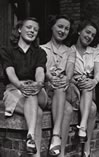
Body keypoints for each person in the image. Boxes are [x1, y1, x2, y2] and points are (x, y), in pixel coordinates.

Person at [0, 17, 47, 156]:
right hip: (14, 89)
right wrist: (20, 85)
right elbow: (10, 72)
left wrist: (38, 84)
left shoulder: (40, 52)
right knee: (37, 113)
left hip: (37, 91)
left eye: (35, 30)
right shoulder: (7, 51)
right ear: (20, 29)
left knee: (31, 89)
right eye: (29, 27)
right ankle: (35, 152)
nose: (32, 31)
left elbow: (39, 71)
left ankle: (30, 135)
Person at [40, 15, 75, 157]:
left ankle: (56, 140)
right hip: (47, 90)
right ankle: (61, 150)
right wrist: (51, 78)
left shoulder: (70, 50)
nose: (63, 31)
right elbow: (42, 68)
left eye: (66, 29)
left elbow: (70, 69)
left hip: (63, 89)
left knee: (61, 87)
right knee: (67, 110)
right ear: (52, 27)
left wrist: (66, 78)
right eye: (60, 26)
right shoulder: (42, 48)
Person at [68, 20, 99, 157]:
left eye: (93, 35)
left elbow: (98, 73)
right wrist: (74, 80)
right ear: (79, 31)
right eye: (87, 32)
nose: (89, 36)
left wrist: (93, 81)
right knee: (92, 109)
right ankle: (86, 151)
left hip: (90, 87)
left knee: (87, 84)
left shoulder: (95, 52)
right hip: (74, 88)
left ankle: (82, 126)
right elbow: (66, 72)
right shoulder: (69, 50)